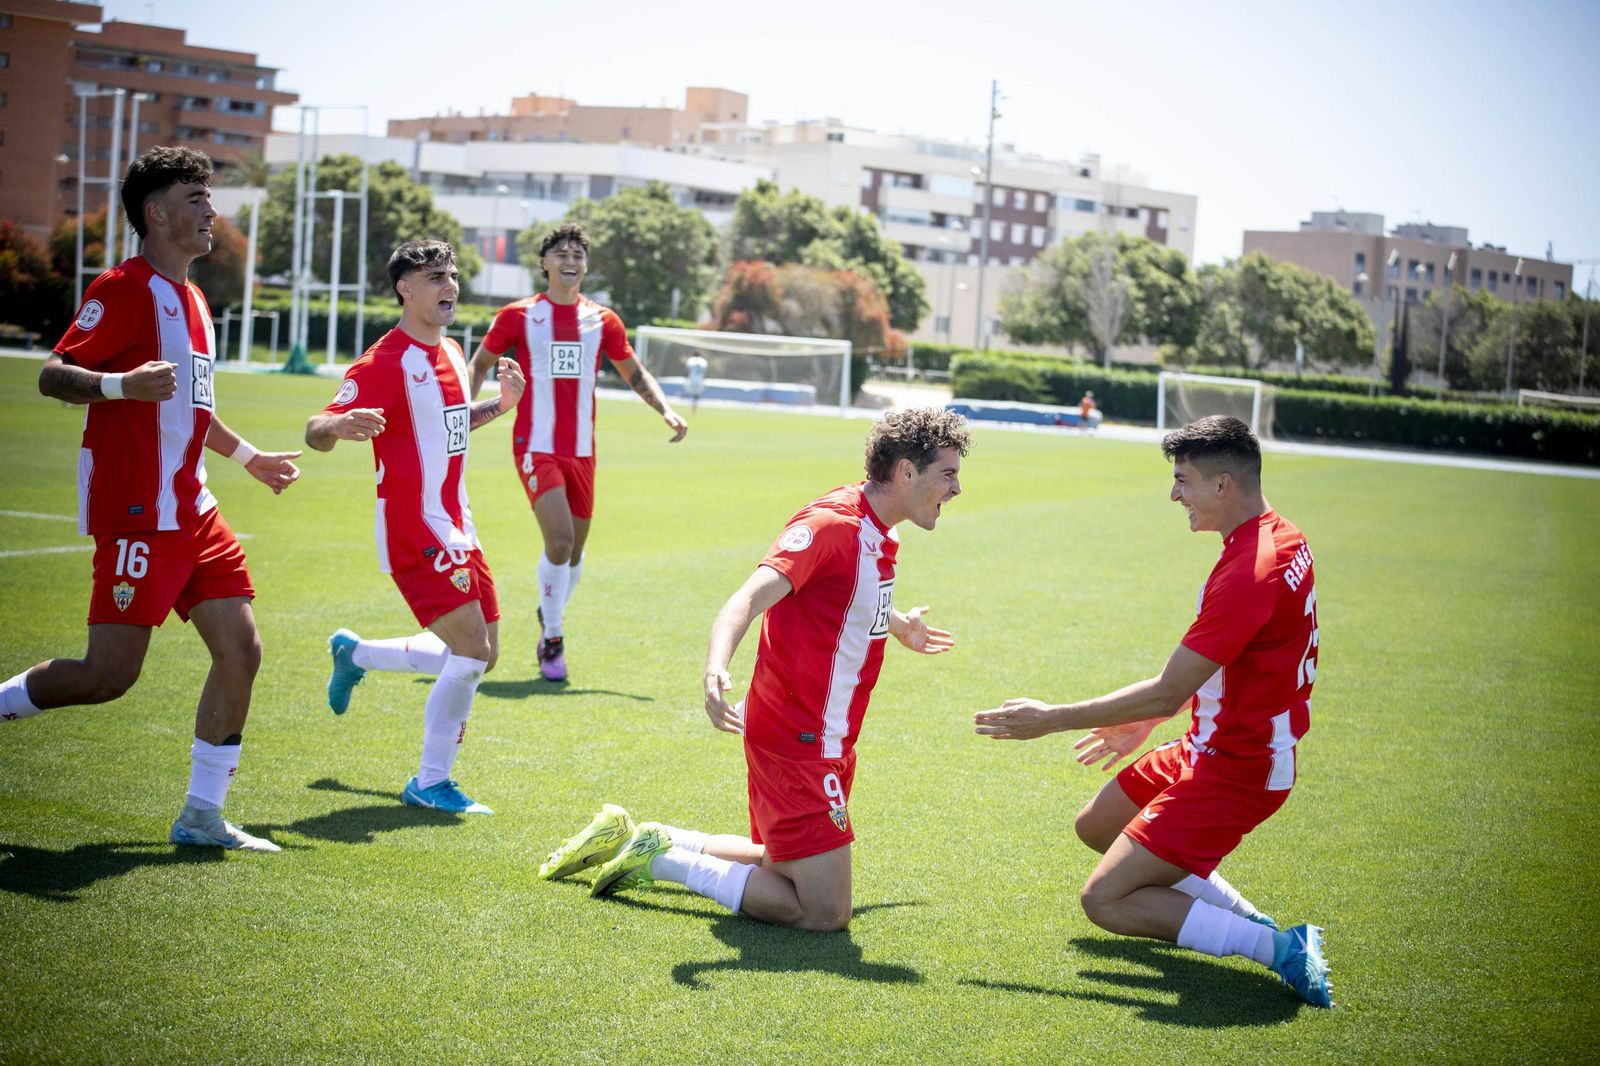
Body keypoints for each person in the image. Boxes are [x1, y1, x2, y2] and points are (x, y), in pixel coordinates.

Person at [538, 408, 970, 931]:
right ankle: (661, 861)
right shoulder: (832, 526)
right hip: (799, 738)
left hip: (826, 738)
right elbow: (746, 598)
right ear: (906, 471)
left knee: (779, 861)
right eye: (947, 474)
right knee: (823, 911)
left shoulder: (877, 528)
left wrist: (897, 624)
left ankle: (647, 836)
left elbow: (844, 588)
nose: (956, 488)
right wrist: (715, 669)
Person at [0, 146, 301, 852]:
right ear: (157, 213)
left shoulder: (194, 299)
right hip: (139, 510)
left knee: (241, 649)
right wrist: (118, 385)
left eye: (209, 197)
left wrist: (251, 459)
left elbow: (192, 409)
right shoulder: (125, 287)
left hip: (193, 509)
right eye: (195, 199)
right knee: (108, 677)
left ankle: (202, 815)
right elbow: (53, 374)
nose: (210, 212)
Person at [973, 415, 1331, 1008]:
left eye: (1183, 480)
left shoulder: (1251, 570)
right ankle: (1256, 922)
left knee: (1104, 900)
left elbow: (1170, 686)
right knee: (1097, 824)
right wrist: (1155, 717)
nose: (1174, 494)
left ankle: (1279, 948)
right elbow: (1235, 660)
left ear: (1223, 485)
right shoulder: (1280, 536)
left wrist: (1049, 718)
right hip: (1212, 741)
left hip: (1240, 765)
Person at [306, 239, 525, 815]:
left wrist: (500, 405)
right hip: (415, 524)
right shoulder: (385, 360)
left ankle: (358, 655)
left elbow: (449, 426)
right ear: (404, 288)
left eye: (452, 275)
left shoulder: (453, 352)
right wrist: (339, 424)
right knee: (472, 650)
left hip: (459, 521)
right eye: (434, 277)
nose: (449, 286)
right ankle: (431, 782)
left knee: (484, 653)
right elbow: (316, 427)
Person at [467, 223, 687, 683]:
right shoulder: (518, 315)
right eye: (561, 253)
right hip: (535, 445)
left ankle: (548, 614)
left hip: (583, 452)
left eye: (578, 255)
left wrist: (665, 410)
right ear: (544, 263)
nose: (571, 260)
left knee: (574, 554)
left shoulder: (603, 320)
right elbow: (480, 363)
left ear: (585, 266)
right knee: (560, 541)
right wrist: (462, 412)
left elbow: (634, 372)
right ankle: (553, 636)